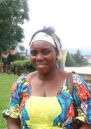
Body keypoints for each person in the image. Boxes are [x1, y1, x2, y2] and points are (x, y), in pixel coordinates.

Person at [3, 27, 91, 129]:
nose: (39, 57)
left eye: (45, 52)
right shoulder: (22, 84)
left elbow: (87, 123)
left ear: (57, 52)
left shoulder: (76, 84)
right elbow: (12, 121)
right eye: (34, 53)